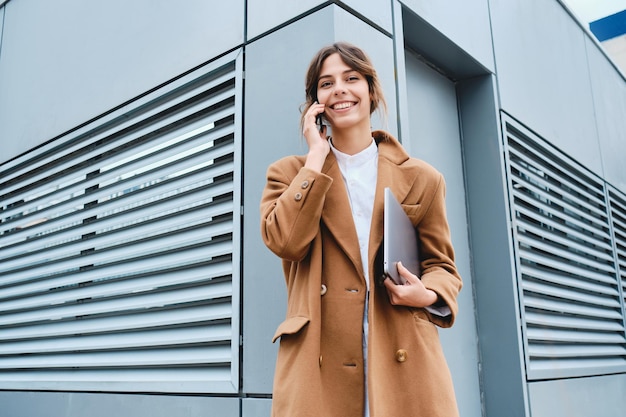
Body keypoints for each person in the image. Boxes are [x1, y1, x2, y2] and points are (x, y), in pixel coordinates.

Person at [260, 41, 462, 417]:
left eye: (351, 78)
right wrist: (316, 158)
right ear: (314, 103)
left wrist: (427, 294)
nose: (339, 88)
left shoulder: (422, 178)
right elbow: (285, 242)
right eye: (326, 83)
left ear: (370, 90)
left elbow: (443, 268)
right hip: (319, 358)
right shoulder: (289, 174)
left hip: (402, 354)